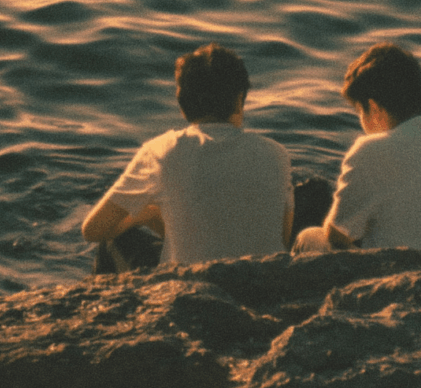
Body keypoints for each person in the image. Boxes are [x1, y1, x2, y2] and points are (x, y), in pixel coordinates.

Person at [83, 43, 293, 268]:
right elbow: (282, 238)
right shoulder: (276, 153)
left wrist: (144, 216)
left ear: (183, 102)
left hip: (189, 286)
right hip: (262, 283)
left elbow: (93, 229)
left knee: (113, 240)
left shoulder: (161, 151)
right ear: (239, 99)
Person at [292, 43, 421, 254]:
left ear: (374, 108)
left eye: (360, 113)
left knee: (310, 236)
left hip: (407, 275)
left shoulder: (371, 150)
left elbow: (337, 233)